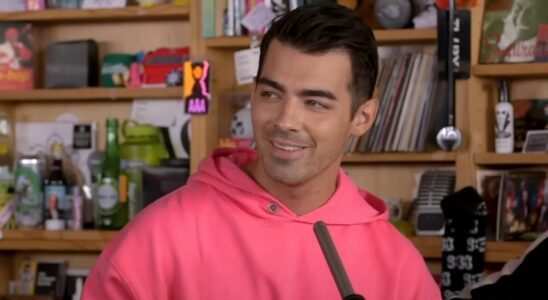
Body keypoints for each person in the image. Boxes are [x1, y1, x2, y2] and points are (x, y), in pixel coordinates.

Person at [82, 4, 441, 300]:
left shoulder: (399, 268)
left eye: (315, 103)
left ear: (362, 117)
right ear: (253, 94)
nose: (285, 120)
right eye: (271, 94)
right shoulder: (156, 239)